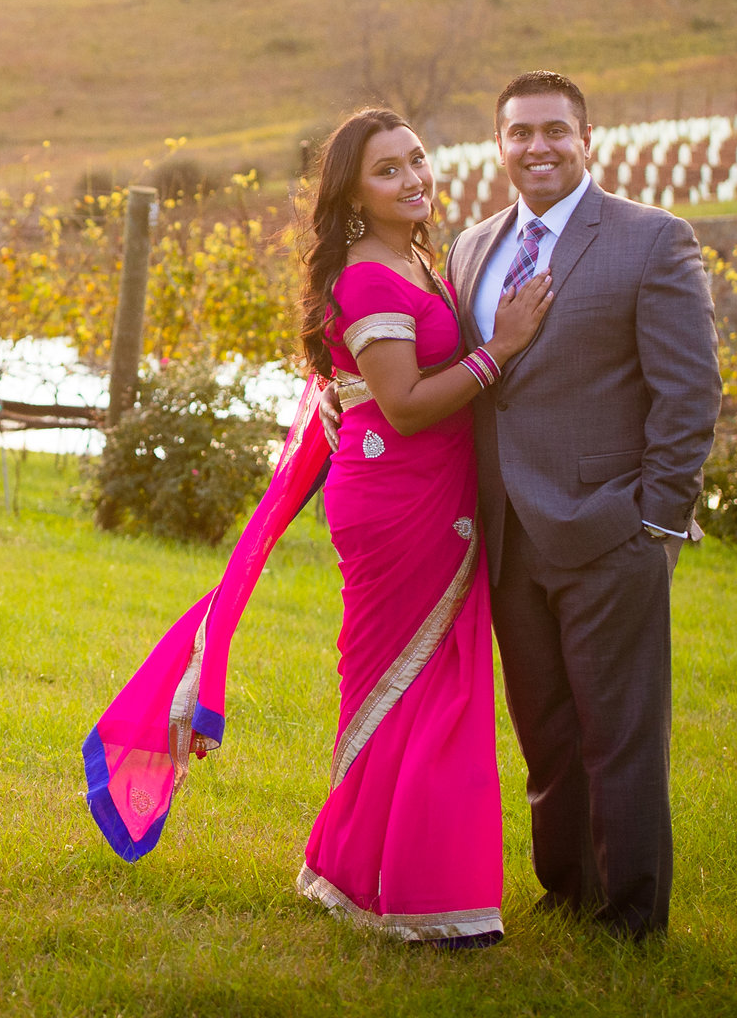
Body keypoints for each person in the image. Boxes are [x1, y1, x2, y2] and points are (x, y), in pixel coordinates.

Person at [83, 108, 553, 947]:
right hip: (402, 503)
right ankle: (413, 895)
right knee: (414, 688)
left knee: (433, 686)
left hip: (431, 493)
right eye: (388, 170)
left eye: (417, 160)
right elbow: (405, 408)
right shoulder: (370, 277)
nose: (413, 178)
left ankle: (362, 871)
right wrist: (502, 349)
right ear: (352, 194)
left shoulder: (413, 257)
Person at [445, 70, 719, 942]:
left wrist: (658, 522)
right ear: (500, 145)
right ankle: (566, 890)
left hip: (611, 530)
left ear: (588, 139)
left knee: (620, 736)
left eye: (555, 131)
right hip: (509, 538)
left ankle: (632, 915)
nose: (538, 147)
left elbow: (691, 393)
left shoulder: (650, 240)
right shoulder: (471, 248)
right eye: (520, 132)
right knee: (547, 734)